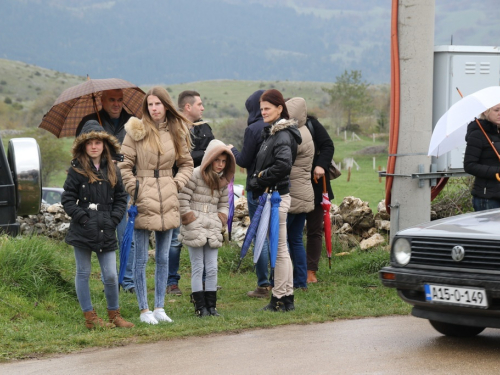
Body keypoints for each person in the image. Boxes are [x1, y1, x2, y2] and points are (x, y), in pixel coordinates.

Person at [119, 87, 194, 324]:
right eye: (150, 104)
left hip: (168, 196)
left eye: (158, 104)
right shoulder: (136, 131)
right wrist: (135, 188)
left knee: (163, 257)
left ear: (166, 105)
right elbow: (124, 165)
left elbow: (186, 164)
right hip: (143, 196)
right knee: (140, 258)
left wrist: (176, 184)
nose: (154, 108)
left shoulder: (176, 131)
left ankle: (160, 307)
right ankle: (144, 309)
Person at [62, 120, 134, 329]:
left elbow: (121, 198)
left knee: (111, 275)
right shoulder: (76, 170)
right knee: (83, 272)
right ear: (83, 146)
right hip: (82, 228)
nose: (94, 146)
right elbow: (67, 199)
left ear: (104, 144)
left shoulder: (114, 169)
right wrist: (83, 218)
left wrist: (114, 219)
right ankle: (90, 318)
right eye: (90, 142)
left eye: (98, 142)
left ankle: (114, 315)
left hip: (106, 226)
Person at [76, 89, 136, 293]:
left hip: (125, 184)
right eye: (112, 100)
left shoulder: (133, 123)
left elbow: (139, 153)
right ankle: (109, 281)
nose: (117, 104)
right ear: (102, 100)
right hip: (97, 190)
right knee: (104, 235)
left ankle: (128, 280)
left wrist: (120, 163)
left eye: (120, 100)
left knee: (127, 235)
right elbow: (79, 156)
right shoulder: (90, 121)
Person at [249, 89, 301, 312]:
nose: (263, 112)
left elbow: (283, 166)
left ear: (280, 108)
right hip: (274, 195)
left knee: (279, 250)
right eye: (261, 109)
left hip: (276, 197)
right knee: (282, 249)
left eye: (267, 108)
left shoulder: (281, 135)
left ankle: (278, 298)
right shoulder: (273, 133)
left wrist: (259, 178)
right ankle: (287, 297)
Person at [178, 139, 235, 317]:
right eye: (217, 160)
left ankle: (212, 306)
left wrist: (221, 218)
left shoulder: (222, 181)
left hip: (212, 225)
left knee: (211, 267)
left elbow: (224, 204)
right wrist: (190, 219)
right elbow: (182, 200)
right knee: (197, 266)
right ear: (209, 159)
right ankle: (199, 307)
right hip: (195, 225)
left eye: (224, 161)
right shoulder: (194, 175)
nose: (220, 165)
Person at [167, 90, 215, 296]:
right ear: (188, 107)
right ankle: (171, 282)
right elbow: (175, 157)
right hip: (179, 187)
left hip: (203, 190)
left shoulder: (204, 127)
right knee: (175, 239)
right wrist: (201, 155)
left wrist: (200, 155)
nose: (203, 108)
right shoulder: (172, 128)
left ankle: (205, 280)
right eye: (199, 104)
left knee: (204, 235)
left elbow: (214, 152)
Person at [228, 90, 272, 299]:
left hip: (257, 189)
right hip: (279, 189)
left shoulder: (253, 129)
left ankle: (263, 285)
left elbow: (244, 161)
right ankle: (282, 281)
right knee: (278, 236)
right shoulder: (282, 126)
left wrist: (233, 150)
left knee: (260, 236)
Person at [285, 97, 315, 289]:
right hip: (304, 191)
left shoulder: (294, 136)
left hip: (292, 193)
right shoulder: (306, 131)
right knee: (295, 238)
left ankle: (285, 279)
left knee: (284, 240)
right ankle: (300, 280)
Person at [304, 114, 334, 283]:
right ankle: (297, 269)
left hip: (316, 185)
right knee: (292, 233)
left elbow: (328, 145)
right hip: (293, 186)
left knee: (314, 230)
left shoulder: (312, 123)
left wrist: (321, 165)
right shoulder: (282, 126)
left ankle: (311, 271)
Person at [464, 103, 500, 211]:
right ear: (486, 112)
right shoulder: (478, 134)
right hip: (488, 198)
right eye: (497, 110)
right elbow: (469, 165)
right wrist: (497, 171)